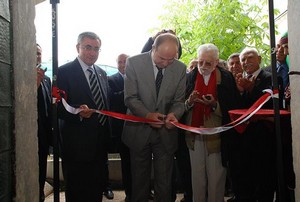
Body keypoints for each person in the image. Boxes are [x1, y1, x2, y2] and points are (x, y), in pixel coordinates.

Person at [122, 33, 186, 202]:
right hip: (138, 132)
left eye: (171, 59)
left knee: (164, 183)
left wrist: (174, 114)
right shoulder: (134, 63)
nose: (165, 64)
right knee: (139, 182)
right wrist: (147, 115)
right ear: (153, 49)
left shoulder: (180, 68)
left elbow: (180, 101)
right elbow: (130, 98)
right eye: (161, 58)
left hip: (166, 133)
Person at [183, 43, 241, 202]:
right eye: (200, 62)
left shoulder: (226, 78)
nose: (202, 66)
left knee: (216, 177)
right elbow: (180, 106)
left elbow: (233, 107)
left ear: (216, 62)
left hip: (217, 134)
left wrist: (214, 105)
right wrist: (190, 101)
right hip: (194, 134)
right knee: (197, 177)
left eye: (208, 63)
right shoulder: (190, 76)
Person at [57, 31, 111, 202]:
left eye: (96, 49)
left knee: (96, 189)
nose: (92, 53)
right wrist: (78, 112)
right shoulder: (63, 72)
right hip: (76, 145)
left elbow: (106, 103)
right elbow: (58, 107)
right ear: (77, 47)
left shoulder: (101, 73)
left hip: (100, 144)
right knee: (76, 190)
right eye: (88, 47)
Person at [230, 47, 278, 201]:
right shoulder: (237, 80)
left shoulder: (271, 78)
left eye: (250, 57)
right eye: (243, 59)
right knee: (245, 177)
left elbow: (269, 104)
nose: (245, 62)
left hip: (264, 136)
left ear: (259, 58)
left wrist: (250, 88)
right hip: (242, 138)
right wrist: (240, 91)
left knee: (264, 176)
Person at [108, 53, 131, 202]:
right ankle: (130, 194)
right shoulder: (111, 80)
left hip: (139, 129)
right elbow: (113, 100)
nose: (123, 64)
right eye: (120, 62)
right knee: (127, 164)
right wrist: (131, 93)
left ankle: (143, 191)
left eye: (126, 62)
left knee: (141, 163)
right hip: (122, 130)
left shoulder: (138, 79)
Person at [36, 43, 52, 202]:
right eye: (34, 53)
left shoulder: (47, 79)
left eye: (39, 54)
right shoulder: (21, 76)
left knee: (41, 168)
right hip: (28, 135)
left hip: (44, 134)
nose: (37, 57)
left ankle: (40, 195)